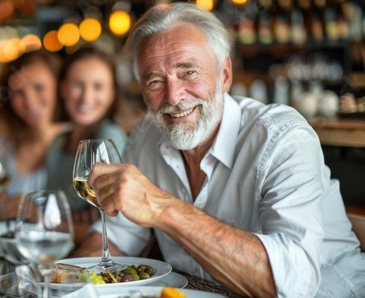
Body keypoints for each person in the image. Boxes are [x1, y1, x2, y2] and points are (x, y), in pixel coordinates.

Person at [74, 3, 365, 298]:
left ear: (224, 75)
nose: (173, 97)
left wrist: (160, 207)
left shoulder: (282, 137)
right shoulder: (146, 136)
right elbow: (118, 237)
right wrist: (69, 281)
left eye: (188, 72)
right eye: (155, 80)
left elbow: (293, 285)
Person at [46, 45, 127, 244]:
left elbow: (112, 226)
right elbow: (54, 213)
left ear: (111, 94)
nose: (86, 97)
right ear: (63, 88)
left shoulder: (108, 138)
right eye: (77, 85)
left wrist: (48, 223)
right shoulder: (57, 143)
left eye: (98, 86)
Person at [0, 50, 64, 213]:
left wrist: (31, 210)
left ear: (59, 86)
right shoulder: (4, 143)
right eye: (19, 92)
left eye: (38, 87)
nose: (30, 101)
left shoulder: (74, 141)